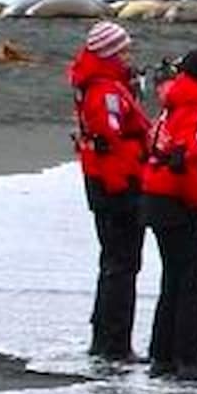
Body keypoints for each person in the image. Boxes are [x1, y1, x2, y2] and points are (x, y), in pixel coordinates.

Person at [138, 47, 197, 384]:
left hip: (156, 195)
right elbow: (190, 161)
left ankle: (163, 357)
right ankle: (191, 360)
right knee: (192, 280)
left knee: (173, 278)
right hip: (177, 199)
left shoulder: (174, 105)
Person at [68, 20, 152, 361]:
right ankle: (114, 345)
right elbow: (111, 143)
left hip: (104, 182)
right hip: (116, 185)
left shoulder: (101, 86)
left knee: (113, 262)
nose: (129, 55)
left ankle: (104, 340)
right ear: (111, 52)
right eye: (124, 50)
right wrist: (128, 186)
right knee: (122, 264)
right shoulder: (105, 91)